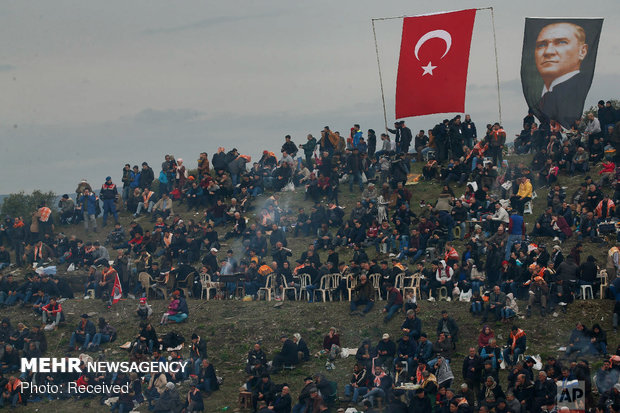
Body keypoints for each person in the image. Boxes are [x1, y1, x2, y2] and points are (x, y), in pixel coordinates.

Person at [534, 22, 591, 128]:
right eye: (542, 45)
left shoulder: (577, 87)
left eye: (561, 42)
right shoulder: (539, 95)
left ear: (582, 51)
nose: (548, 51)